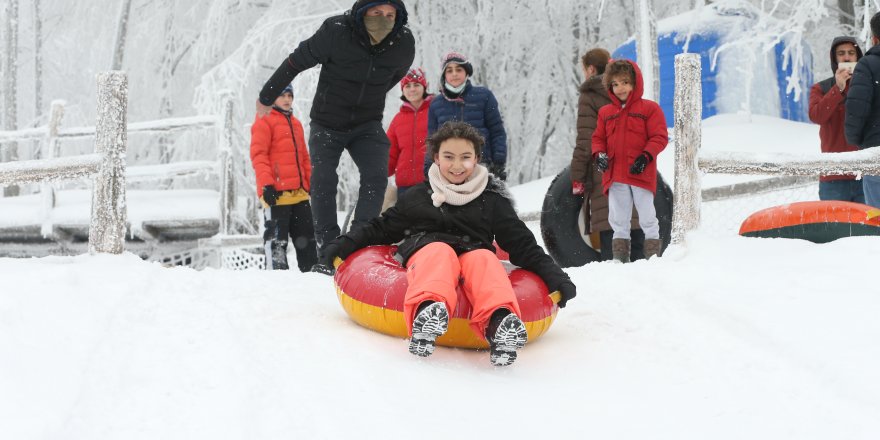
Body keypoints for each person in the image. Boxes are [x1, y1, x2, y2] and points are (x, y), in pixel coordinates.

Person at [321, 121, 577, 367]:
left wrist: (555, 277)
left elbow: (523, 245)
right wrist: (343, 244)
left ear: (476, 159)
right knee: (440, 252)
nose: (457, 165)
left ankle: (499, 323)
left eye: (465, 157)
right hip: (427, 249)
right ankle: (428, 312)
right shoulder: (419, 197)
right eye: (449, 157)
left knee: (485, 260)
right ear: (436, 158)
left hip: (472, 252)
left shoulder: (491, 201)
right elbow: (381, 228)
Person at [256, 0, 415, 272]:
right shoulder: (336, 31)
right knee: (324, 178)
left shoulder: (402, 43)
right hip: (328, 122)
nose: (383, 19)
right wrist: (267, 95)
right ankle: (328, 247)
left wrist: (369, 96)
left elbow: (394, 76)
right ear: (362, 12)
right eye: (376, 13)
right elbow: (296, 60)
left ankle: (355, 243)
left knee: (377, 175)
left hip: (367, 123)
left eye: (390, 15)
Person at [570, 48, 646, 261]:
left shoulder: (590, 94)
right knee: (636, 235)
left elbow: (586, 141)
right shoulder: (628, 88)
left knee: (613, 240)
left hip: (605, 173)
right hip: (635, 172)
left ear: (591, 69)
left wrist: (577, 177)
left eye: (584, 69)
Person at [591, 59, 668, 263]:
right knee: (618, 217)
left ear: (635, 82)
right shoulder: (606, 113)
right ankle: (620, 257)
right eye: (615, 84)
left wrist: (646, 156)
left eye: (624, 82)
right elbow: (598, 138)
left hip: (640, 172)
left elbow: (659, 137)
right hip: (615, 174)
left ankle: (653, 256)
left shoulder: (649, 109)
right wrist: (599, 155)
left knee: (647, 215)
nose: (620, 88)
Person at [250, 84, 318, 272]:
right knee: (276, 243)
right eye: (282, 95)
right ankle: (277, 283)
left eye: (290, 95)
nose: (287, 99)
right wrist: (266, 184)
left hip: (299, 194)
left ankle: (311, 279)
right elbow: (259, 155)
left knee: (307, 241)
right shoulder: (264, 120)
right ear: (272, 98)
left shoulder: (295, 123)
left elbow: (304, 157)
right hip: (276, 194)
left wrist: (309, 183)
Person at [423, 52, 508, 181]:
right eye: (449, 71)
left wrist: (499, 162)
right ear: (444, 75)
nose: (454, 74)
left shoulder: (484, 96)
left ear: (466, 73)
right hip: (449, 169)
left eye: (459, 69)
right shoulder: (436, 104)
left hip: (481, 165)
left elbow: (497, 131)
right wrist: (429, 167)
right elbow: (432, 140)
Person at [809, 36, 864, 202]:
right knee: (833, 227)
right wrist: (837, 89)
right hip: (833, 176)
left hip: (865, 173)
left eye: (851, 53)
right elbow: (816, 116)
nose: (846, 57)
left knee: (869, 227)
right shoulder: (821, 88)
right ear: (834, 58)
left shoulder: (868, 86)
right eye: (841, 53)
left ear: (857, 57)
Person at [845, 12, 880, 208]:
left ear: (874, 38)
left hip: (876, 151)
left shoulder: (867, 65)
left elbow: (856, 109)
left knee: (877, 218)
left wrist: (857, 140)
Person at [387, 67, 434, 197]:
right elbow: (390, 152)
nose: (412, 89)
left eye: (416, 85)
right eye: (407, 86)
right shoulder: (398, 119)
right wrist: (378, 172)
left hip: (431, 183)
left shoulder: (435, 111)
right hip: (405, 185)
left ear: (424, 87)